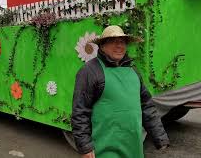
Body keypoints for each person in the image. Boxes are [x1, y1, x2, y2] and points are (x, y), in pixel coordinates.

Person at [72, 26, 170, 158]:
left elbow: (147, 106)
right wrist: (85, 147)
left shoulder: (133, 72)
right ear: (102, 46)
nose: (119, 45)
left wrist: (160, 136)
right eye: (113, 41)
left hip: (133, 146)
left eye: (122, 41)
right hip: (105, 148)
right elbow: (80, 112)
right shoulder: (90, 71)